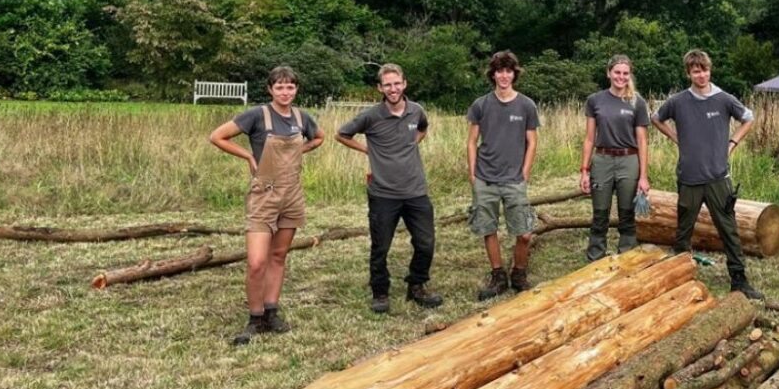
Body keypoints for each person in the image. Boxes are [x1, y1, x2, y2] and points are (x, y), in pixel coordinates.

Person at [209, 66, 325, 345]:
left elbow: (319, 137)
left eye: (291, 87)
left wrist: (302, 149)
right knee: (256, 262)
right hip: (264, 194)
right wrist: (248, 157)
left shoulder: (301, 117)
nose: (286, 92)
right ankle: (255, 317)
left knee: (279, 256)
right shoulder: (257, 115)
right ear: (270, 89)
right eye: (280, 87)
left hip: (292, 194)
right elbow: (217, 136)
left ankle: (271, 311)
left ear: (296, 90)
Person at [650, 49, 763, 300]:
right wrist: (674, 136)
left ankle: (739, 280)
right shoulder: (678, 101)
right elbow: (655, 118)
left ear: (710, 70)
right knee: (683, 230)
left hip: (718, 178)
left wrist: (733, 142)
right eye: (695, 71)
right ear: (689, 73)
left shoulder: (724, 99)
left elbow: (748, 117)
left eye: (704, 70)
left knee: (729, 230)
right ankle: (679, 277)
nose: (701, 75)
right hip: (689, 177)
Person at [336, 63, 443, 315]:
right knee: (381, 246)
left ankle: (416, 285)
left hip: (416, 190)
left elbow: (423, 129)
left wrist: (410, 145)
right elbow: (342, 134)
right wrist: (368, 150)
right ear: (380, 88)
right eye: (387, 85)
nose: (393, 89)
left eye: (397, 83)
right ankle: (380, 291)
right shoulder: (370, 116)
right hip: (383, 193)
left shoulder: (416, 111)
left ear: (404, 84)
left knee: (426, 243)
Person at [466, 50, 540, 299]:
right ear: (493, 74)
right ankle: (498, 275)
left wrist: (525, 172)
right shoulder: (481, 104)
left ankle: (519, 273)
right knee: (489, 228)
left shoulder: (526, 105)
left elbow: (532, 141)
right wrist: (472, 173)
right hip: (485, 177)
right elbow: (472, 141)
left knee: (525, 232)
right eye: (500, 71)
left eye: (508, 71)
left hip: (514, 179)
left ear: (514, 74)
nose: (504, 76)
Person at [579, 55, 651, 260]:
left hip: (629, 161)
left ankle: (627, 256)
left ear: (630, 75)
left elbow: (643, 142)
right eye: (617, 72)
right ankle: (595, 256)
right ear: (608, 73)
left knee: (627, 212)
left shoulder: (637, 102)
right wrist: (584, 170)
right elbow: (589, 139)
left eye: (625, 73)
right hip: (602, 160)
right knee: (600, 212)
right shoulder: (595, 100)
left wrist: (643, 176)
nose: (621, 77)